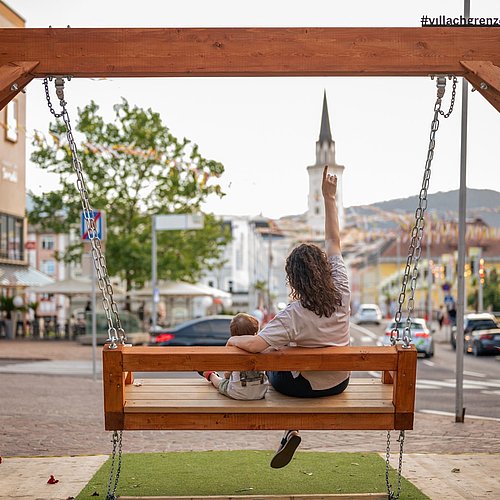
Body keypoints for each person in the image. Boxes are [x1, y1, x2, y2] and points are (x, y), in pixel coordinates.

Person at [227, 165, 351, 469]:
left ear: (294, 280)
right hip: (340, 382)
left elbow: (255, 346)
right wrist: (329, 198)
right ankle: (289, 432)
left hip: (306, 387)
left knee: (273, 356)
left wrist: (232, 339)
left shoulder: (294, 314)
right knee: (284, 354)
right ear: (323, 268)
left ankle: (290, 428)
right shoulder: (342, 287)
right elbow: (334, 240)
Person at [200, 313, 269, 400]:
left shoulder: (233, 351)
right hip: (260, 392)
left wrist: (227, 377)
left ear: (233, 335)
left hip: (238, 393)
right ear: (255, 333)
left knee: (221, 383)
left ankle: (210, 375)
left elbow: (227, 375)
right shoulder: (262, 348)